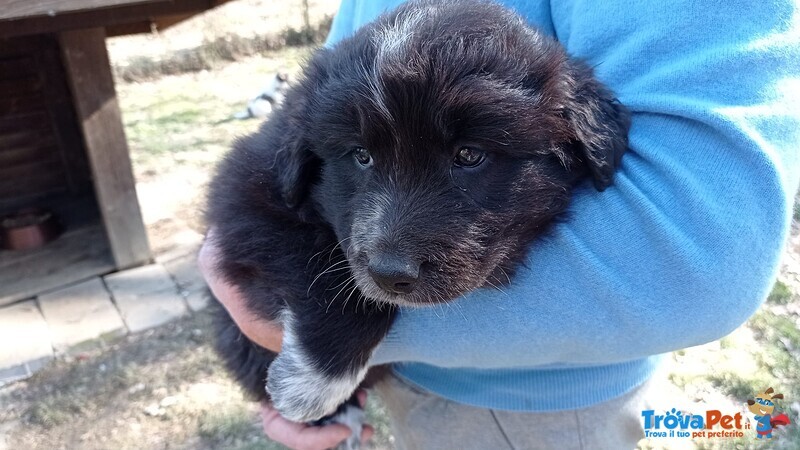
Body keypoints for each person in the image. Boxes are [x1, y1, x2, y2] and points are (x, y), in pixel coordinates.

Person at [198, 0, 800, 448]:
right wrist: (320, 368)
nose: (389, 250)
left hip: (536, 409)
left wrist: (321, 351)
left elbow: (698, 253)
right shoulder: (340, 86)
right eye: (362, 157)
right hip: (412, 387)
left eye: (469, 157)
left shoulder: (552, 95)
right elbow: (263, 183)